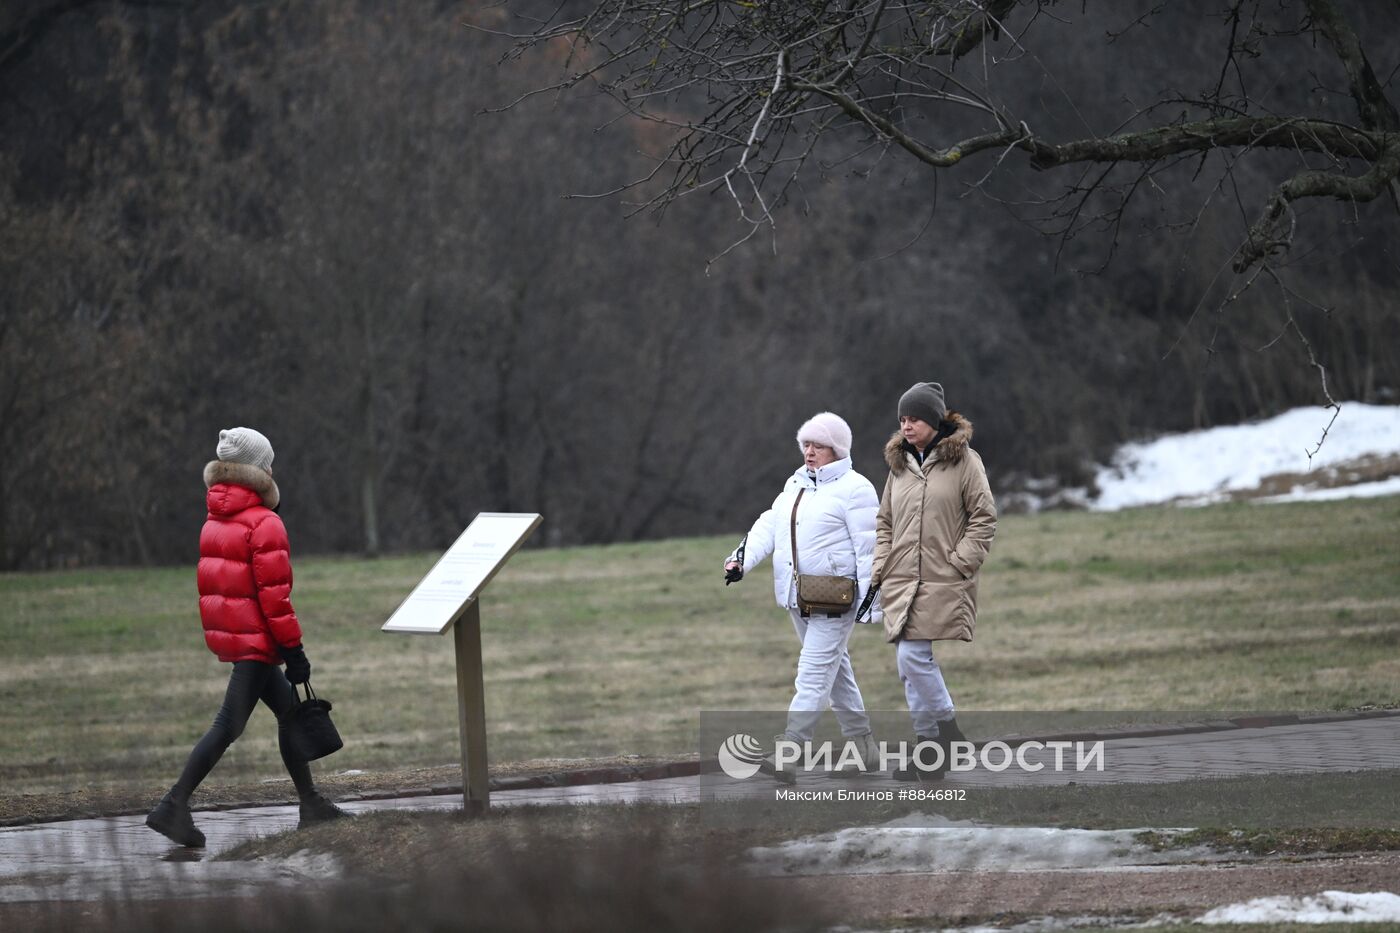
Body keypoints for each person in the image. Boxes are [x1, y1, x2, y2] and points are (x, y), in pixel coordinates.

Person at [146, 427, 347, 847]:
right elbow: (274, 598)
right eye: (267, 461)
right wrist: (294, 651)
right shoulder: (264, 522)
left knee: (289, 713)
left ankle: (310, 803)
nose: (273, 467)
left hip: (238, 637)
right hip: (260, 641)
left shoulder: (216, 519)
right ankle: (173, 805)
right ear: (257, 469)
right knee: (227, 726)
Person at [723, 412, 880, 782]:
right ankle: (864, 750)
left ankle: (788, 753)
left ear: (837, 450)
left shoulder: (857, 489)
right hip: (799, 597)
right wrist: (740, 560)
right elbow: (769, 525)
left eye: (818, 446)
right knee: (836, 674)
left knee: (811, 677)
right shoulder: (795, 484)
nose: (809, 452)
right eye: (806, 444)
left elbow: (871, 549)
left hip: (836, 601)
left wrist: (872, 602)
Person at [872, 383, 996, 781]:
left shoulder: (966, 462)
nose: (906, 426)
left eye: (914, 419)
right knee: (907, 668)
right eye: (902, 420)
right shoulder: (900, 466)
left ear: (935, 420)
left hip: (943, 579)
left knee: (913, 658)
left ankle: (949, 731)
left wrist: (961, 563)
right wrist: (881, 566)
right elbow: (885, 522)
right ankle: (931, 752)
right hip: (901, 579)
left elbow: (983, 517)